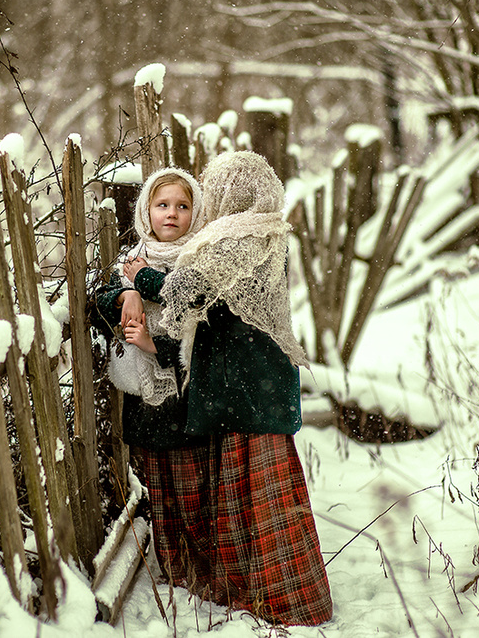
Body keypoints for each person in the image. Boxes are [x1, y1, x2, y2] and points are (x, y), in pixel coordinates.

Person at [123, 151, 333, 626]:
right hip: (252, 391)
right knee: (255, 503)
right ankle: (265, 593)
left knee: (258, 503)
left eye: (215, 190)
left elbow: (189, 291)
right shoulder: (262, 233)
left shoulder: (243, 238)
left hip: (249, 394)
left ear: (231, 194)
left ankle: (283, 600)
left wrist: (140, 278)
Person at [92, 167, 211, 576]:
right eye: (162, 205)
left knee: (193, 487)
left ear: (196, 213)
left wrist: (152, 344)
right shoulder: (132, 260)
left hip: (186, 398)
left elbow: (203, 337)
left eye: (182, 206)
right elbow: (97, 303)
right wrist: (127, 291)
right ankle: (174, 568)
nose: (171, 214)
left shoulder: (198, 262)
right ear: (147, 210)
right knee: (158, 488)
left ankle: (201, 568)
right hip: (144, 401)